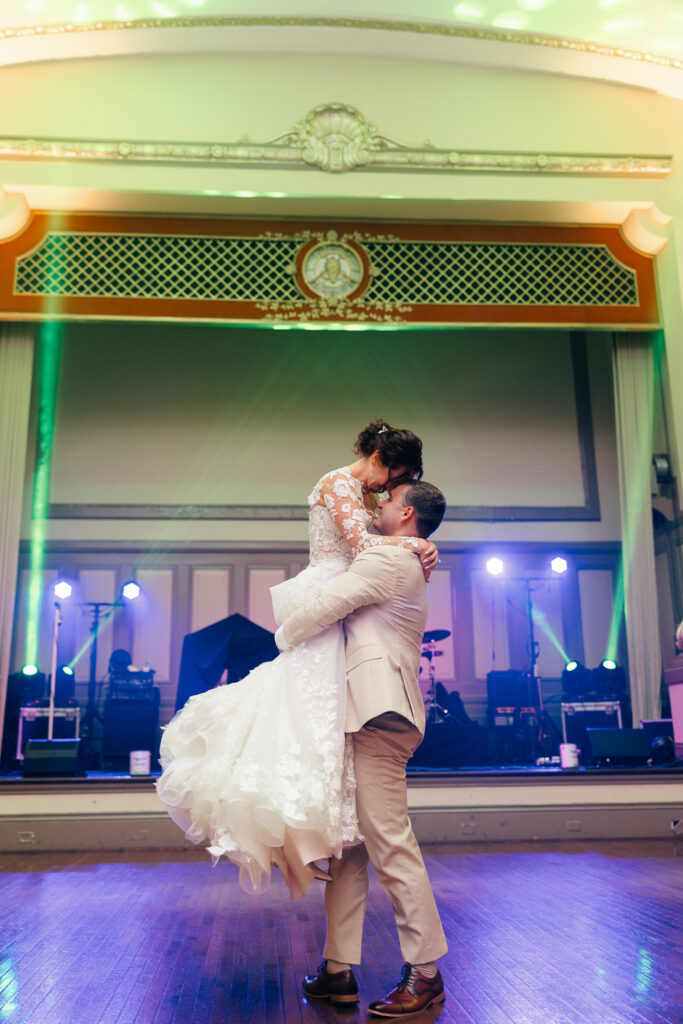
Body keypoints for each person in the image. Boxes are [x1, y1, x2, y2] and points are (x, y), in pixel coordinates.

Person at [156, 419, 437, 899]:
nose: (388, 489)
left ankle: (320, 828)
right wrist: (416, 542)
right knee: (301, 709)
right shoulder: (337, 482)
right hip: (330, 591)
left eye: (395, 487)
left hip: (350, 601)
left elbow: (373, 551)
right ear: (378, 458)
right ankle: (298, 828)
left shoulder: (368, 496)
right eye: (392, 477)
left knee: (322, 719)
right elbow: (365, 545)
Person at [275, 480, 449, 1017]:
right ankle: (336, 972)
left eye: (390, 501)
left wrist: (286, 629)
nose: (379, 505)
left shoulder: (389, 562)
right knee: (350, 845)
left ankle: (426, 973)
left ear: (409, 514)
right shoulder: (402, 556)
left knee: (390, 843)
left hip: (380, 714)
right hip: (363, 714)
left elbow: (314, 613)